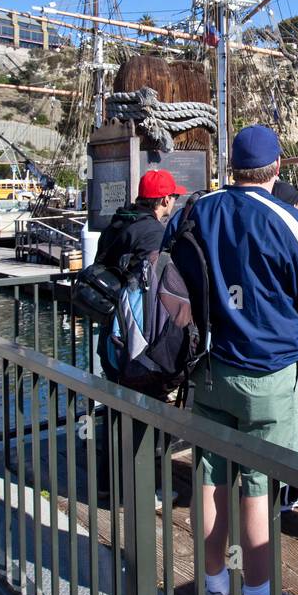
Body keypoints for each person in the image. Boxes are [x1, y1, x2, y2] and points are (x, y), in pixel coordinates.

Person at [169, 124, 298, 595]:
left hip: (205, 368)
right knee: (260, 485)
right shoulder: (285, 220)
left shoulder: (195, 210)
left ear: (232, 168)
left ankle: (213, 591)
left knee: (208, 479)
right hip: (266, 373)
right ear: (278, 168)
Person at [94, 168, 188, 505]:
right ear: (163, 199)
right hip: (140, 338)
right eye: (173, 197)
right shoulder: (152, 234)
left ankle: (108, 483)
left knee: (117, 410)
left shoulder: (117, 224)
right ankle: (141, 492)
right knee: (147, 413)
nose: (174, 202)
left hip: (112, 335)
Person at [96, 168, 187, 264]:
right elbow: (149, 276)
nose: (175, 200)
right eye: (175, 197)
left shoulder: (119, 220)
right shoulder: (155, 232)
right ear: (166, 200)